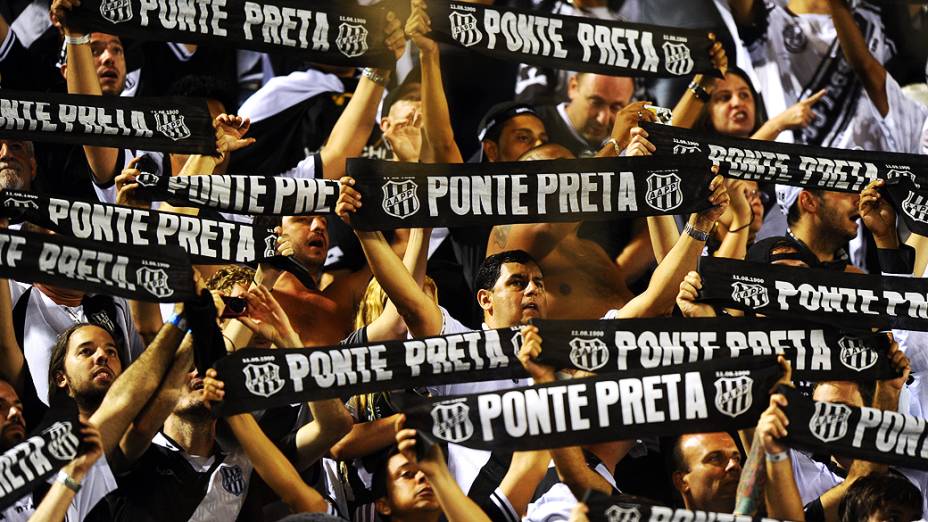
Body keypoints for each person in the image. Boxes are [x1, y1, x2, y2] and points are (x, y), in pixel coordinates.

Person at [534, 73, 635, 158]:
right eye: (596, 102)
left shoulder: (629, 141)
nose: (602, 119)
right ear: (573, 87)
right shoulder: (533, 124)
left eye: (616, 107)